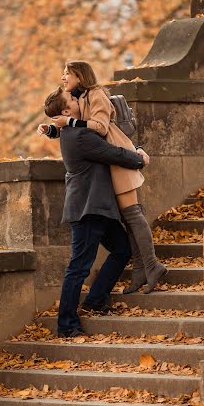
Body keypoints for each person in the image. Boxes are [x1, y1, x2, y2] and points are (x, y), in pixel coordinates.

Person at [38, 60, 167, 295]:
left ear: (80, 76)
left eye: (68, 73)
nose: (63, 77)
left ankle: (152, 265)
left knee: (133, 215)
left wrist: (68, 122)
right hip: (109, 161)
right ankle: (139, 269)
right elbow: (77, 128)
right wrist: (53, 129)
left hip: (118, 156)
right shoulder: (80, 98)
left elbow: (98, 127)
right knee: (127, 219)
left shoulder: (96, 94)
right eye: (63, 73)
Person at [42, 86, 145, 337]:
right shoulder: (79, 136)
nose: (78, 99)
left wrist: (52, 129)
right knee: (78, 267)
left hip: (98, 207)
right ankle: (66, 325)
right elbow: (113, 154)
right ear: (67, 110)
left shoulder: (72, 130)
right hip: (87, 209)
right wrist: (139, 157)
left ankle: (96, 299)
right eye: (73, 99)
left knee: (122, 250)